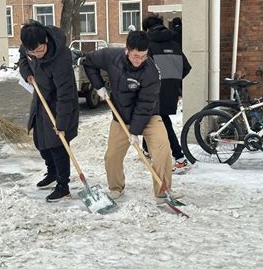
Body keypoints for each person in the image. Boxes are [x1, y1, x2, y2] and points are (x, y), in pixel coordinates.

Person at [83, 31, 172, 202]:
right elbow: (88, 62)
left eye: (143, 56)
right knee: (112, 156)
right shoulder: (111, 56)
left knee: (162, 149)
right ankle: (116, 188)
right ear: (127, 50)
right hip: (121, 114)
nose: (139, 61)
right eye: (135, 56)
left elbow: (145, 104)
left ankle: (163, 191)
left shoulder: (151, 72)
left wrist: (135, 131)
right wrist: (98, 85)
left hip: (148, 116)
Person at [18, 20, 79, 203]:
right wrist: (27, 72)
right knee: (40, 141)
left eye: (40, 51)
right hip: (40, 98)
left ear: (45, 41)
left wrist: (61, 123)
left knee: (57, 144)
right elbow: (23, 57)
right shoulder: (29, 45)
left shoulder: (61, 58)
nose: (36, 55)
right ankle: (52, 172)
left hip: (59, 102)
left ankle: (63, 186)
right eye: (33, 52)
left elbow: (66, 95)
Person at [141, 14, 192, 174]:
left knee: (162, 121)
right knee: (152, 117)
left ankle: (180, 158)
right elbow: (187, 67)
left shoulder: (147, 44)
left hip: (154, 90)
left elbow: (143, 69)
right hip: (171, 90)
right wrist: (174, 80)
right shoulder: (174, 43)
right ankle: (147, 150)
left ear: (147, 29)